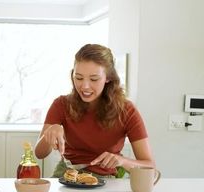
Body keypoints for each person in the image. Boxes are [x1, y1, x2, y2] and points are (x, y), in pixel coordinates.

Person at [35, 44, 155, 178]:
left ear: (108, 78)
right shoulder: (61, 104)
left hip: (106, 180)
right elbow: (39, 154)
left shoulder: (127, 110)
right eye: (79, 78)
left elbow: (149, 165)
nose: (85, 86)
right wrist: (49, 133)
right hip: (67, 175)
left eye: (94, 79)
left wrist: (123, 161)